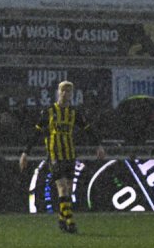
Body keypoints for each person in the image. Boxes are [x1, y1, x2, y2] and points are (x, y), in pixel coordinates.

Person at [19, 80, 105, 234]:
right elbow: (36, 133)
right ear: (58, 92)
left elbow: (88, 129)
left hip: (69, 154)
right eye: (63, 90)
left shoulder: (74, 113)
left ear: (72, 94)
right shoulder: (49, 112)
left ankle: (61, 218)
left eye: (68, 91)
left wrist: (98, 145)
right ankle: (70, 221)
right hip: (54, 154)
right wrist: (26, 152)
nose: (65, 93)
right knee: (62, 187)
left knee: (69, 189)